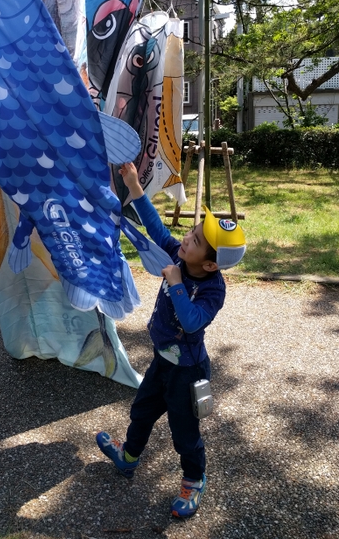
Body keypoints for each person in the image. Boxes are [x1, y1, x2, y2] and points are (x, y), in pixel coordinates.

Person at [96, 161, 246, 518]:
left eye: (194, 241)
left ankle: (194, 480)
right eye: (192, 233)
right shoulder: (180, 254)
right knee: (142, 410)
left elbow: (193, 323)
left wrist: (176, 283)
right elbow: (155, 227)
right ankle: (129, 457)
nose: (185, 240)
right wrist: (134, 186)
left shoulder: (213, 290)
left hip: (188, 372)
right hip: (163, 360)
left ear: (210, 265)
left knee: (184, 433)